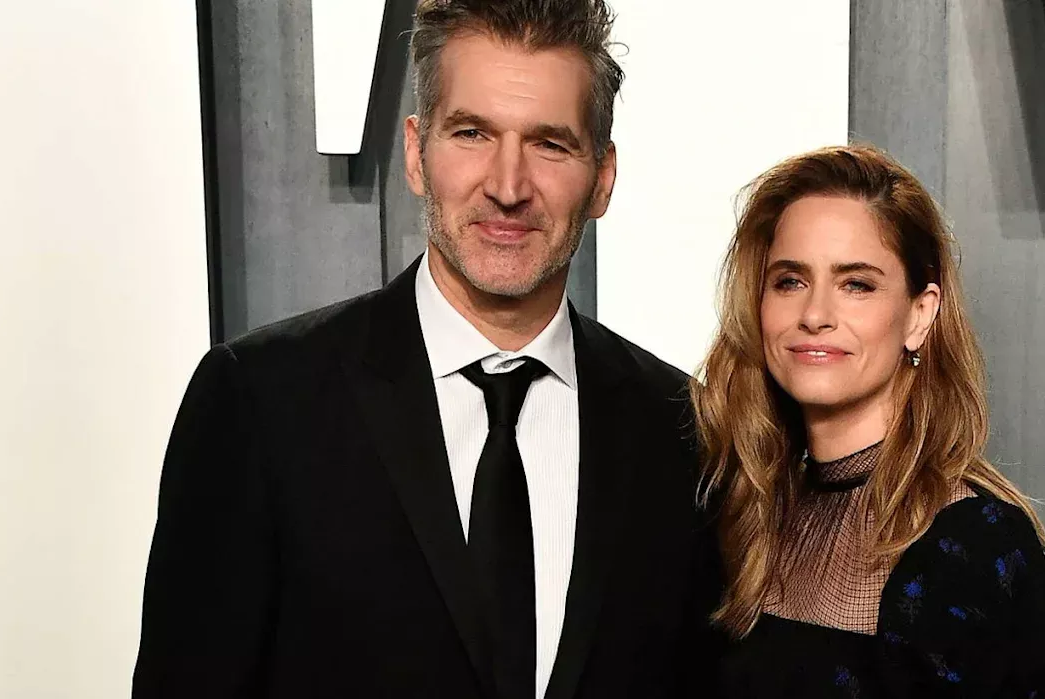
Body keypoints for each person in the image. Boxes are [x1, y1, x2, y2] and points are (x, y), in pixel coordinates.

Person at [131, 2, 721, 698]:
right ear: (415, 152)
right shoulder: (261, 403)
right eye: (471, 133)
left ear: (603, 176)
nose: (507, 186)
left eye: (550, 144)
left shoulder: (684, 429)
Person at [691, 144, 1045, 697]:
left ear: (919, 315)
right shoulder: (748, 515)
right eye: (790, 281)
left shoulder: (972, 544)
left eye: (857, 284)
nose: (815, 315)